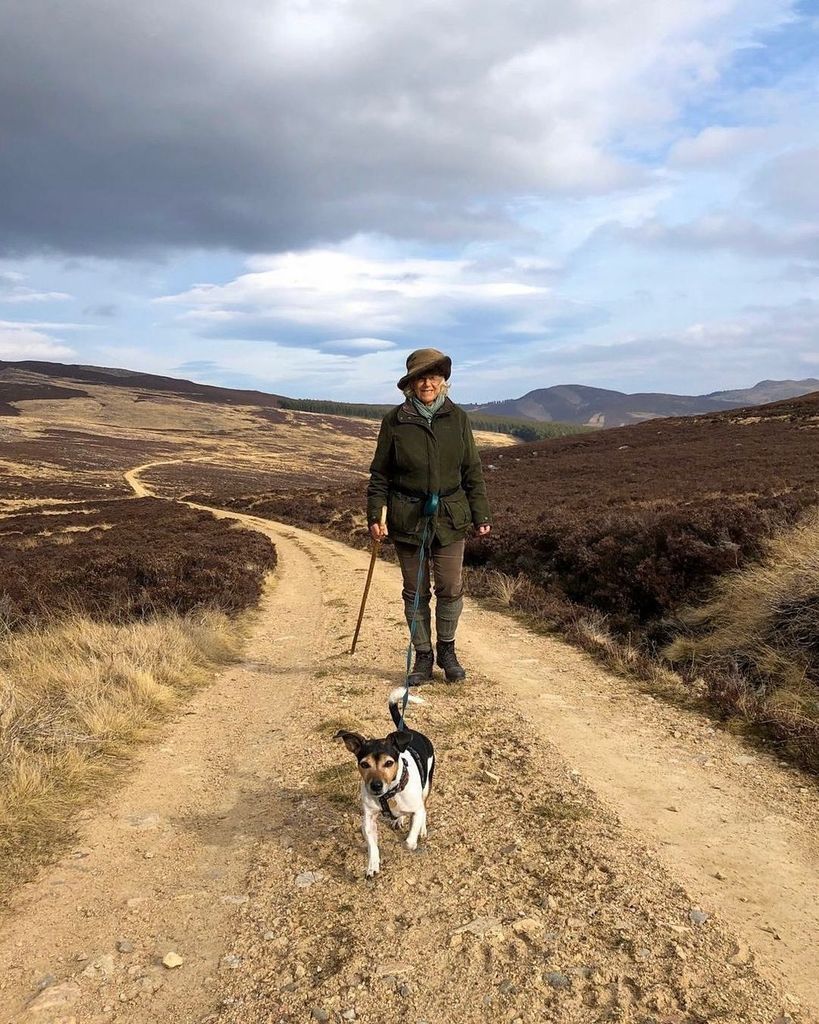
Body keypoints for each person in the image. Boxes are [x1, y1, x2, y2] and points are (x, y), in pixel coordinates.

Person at [367, 348, 492, 684]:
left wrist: (481, 513)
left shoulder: (458, 418)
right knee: (415, 591)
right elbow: (380, 474)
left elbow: (472, 471)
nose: (427, 383)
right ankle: (423, 656)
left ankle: (447, 650)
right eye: (420, 377)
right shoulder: (395, 421)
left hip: (450, 518)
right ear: (411, 384)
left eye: (433, 376)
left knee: (450, 587)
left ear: (443, 381)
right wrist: (374, 515)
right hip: (408, 517)